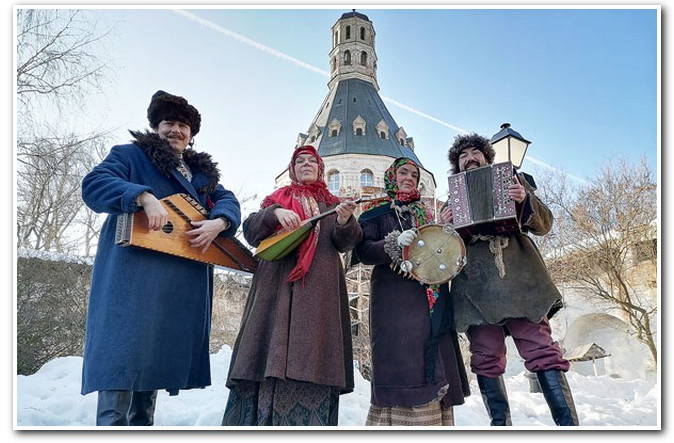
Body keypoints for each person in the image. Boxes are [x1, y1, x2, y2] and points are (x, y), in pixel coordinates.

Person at [80, 90, 242, 426]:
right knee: (121, 360)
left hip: (175, 285)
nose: (176, 130)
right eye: (169, 123)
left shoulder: (202, 177)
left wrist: (220, 221)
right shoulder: (130, 156)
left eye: (183, 126)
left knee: (152, 363)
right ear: (156, 126)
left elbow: (228, 201)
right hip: (133, 278)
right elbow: (95, 184)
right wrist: (140, 195)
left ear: (192, 135)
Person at [443, 133, 579, 426]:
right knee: (485, 357)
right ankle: (500, 427)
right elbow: (444, 249)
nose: (469, 158)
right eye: (462, 155)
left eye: (474, 153)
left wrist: (525, 199)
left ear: (486, 157)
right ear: (457, 164)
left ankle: (568, 427)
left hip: (519, 278)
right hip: (475, 286)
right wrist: (445, 226)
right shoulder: (450, 198)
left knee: (542, 350)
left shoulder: (514, 181)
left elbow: (544, 224)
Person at [222, 145, 362, 426]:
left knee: (315, 350)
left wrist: (345, 220)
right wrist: (275, 214)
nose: (307, 164)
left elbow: (346, 243)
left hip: (318, 291)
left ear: (320, 168)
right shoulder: (277, 198)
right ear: (292, 168)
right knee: (269, 345)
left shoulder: (332, 203)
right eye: (301, 161)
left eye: (312, 161)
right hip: (276, 286)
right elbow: (251, 231)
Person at [353, 157, 470, 426]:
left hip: (431, 298)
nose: (409, 178)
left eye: (414, 175)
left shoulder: (426, 215)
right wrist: (393, 244)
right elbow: (363, 251)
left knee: (433, 354)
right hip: (395, 302)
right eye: (403, 172)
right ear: (391, 176)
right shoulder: (375, 211)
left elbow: (438, 251)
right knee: (404, 361)